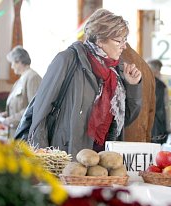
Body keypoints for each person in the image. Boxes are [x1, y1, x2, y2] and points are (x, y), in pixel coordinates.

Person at [27, 9, 142, 157]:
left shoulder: (117, 71)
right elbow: (40, 112)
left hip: (103, 160)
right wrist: (43, 155)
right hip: (67, 156)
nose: (124, 46)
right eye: (119, 41)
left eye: (125, 40)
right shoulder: (67, 60)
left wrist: (132, 85)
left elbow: (126, 120)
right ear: (100, 40)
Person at [0, 46, 41, 138]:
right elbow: (19, 105)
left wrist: (10, 120)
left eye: (13, 63)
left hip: (25, 134)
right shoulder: (20, 80)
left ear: (19, 61)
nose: (12, 66)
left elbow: (33, 108)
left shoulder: (32, 77)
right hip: (16, 132)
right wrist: (6, 115)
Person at [122, 44, 155, 142]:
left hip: (119, 142)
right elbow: (151, 111)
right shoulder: (146, 67)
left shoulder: (115, 62)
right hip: (140, 140)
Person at [147, 59, 170, 144]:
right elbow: (167, 108)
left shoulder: (143, 83)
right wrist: (167, 128)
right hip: (159, 125)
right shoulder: (162, 86)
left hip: (149, 124)